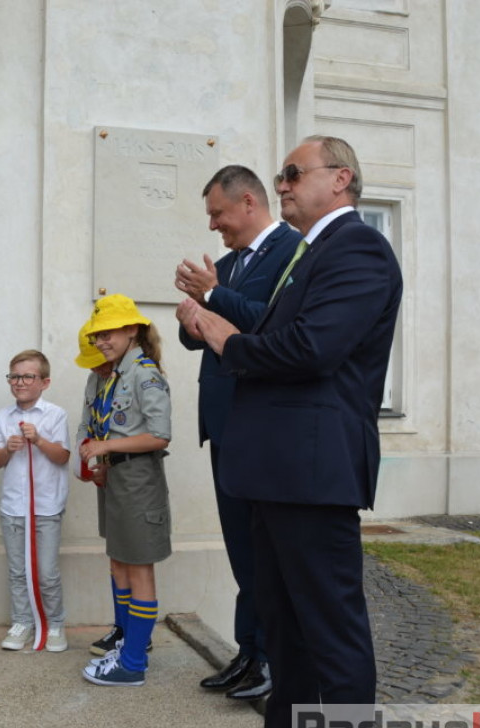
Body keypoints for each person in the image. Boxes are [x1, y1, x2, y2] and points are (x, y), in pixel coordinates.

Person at [180, 136, 402, 728]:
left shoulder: (359, 247)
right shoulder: (311, 252)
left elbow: (311, 350)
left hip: (312, 469)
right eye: (279, 175)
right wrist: (217, 314)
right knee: (285, 624)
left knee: (330, 629)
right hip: (274, 468)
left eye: (292, 173)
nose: (281, 184)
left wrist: (225, 339)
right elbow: (280, 332)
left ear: (341, 179)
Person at [174, 165, 300, 700]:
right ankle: (248, 653)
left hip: (264, 424)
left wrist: (215, 296)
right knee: (242, 552)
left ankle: (273, 660)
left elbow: (271, 323)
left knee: (266, 551)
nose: (213, 226)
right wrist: (189, 319)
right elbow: (202, 340)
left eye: (217, 214)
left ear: (248, 202)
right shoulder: (225, 264)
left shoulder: (293, 251)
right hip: (225, 424)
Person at [78, 294, 171, 687]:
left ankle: (133, 663)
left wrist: (107, 448)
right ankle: (128, 641)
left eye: (108, 333)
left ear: (132, 330)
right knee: (120, 560)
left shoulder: (143, 373)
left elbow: (159, 435)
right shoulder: (115, 373)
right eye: (96, 335)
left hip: (138, 482)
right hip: (116, 478)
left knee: (139, 567)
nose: (100, 342)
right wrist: (100, 462)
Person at [0, 350, 71, 653]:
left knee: (46, 572)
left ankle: (55, 624)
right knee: (17, 571)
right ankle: (22, 622)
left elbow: (63, 457)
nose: (19, 382)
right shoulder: (2, 417)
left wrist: (39, 440)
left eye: (27, 376)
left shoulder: (55, 415)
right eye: (14, 376)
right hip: (13, 507)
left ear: (44, 382)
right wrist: (7, 449)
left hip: (46, 506)